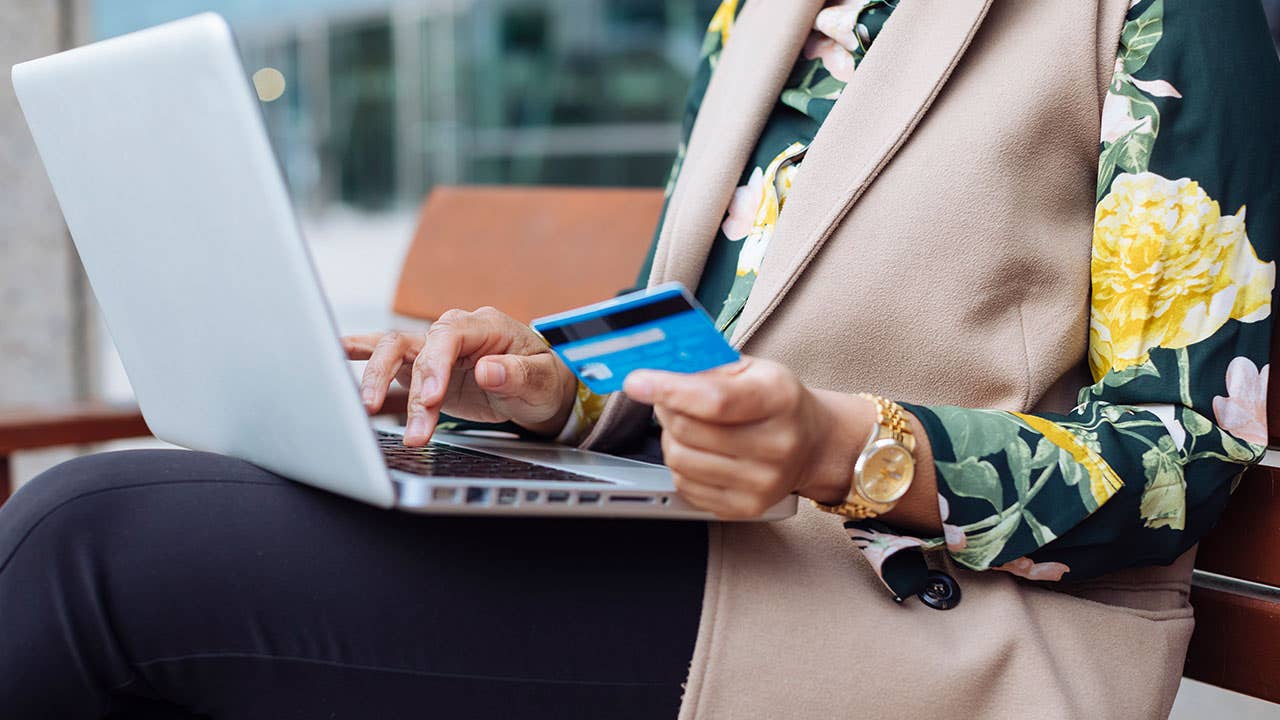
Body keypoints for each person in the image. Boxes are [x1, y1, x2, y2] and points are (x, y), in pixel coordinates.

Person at [2, 0, 1278, 717]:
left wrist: (845, 444)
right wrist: (552, 387)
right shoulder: (771, 13)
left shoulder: (1158, 16)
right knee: (117, 528)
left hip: (924, 623)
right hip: (703, 542)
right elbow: (706, 330)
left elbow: (1179, 462)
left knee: (92, 542)